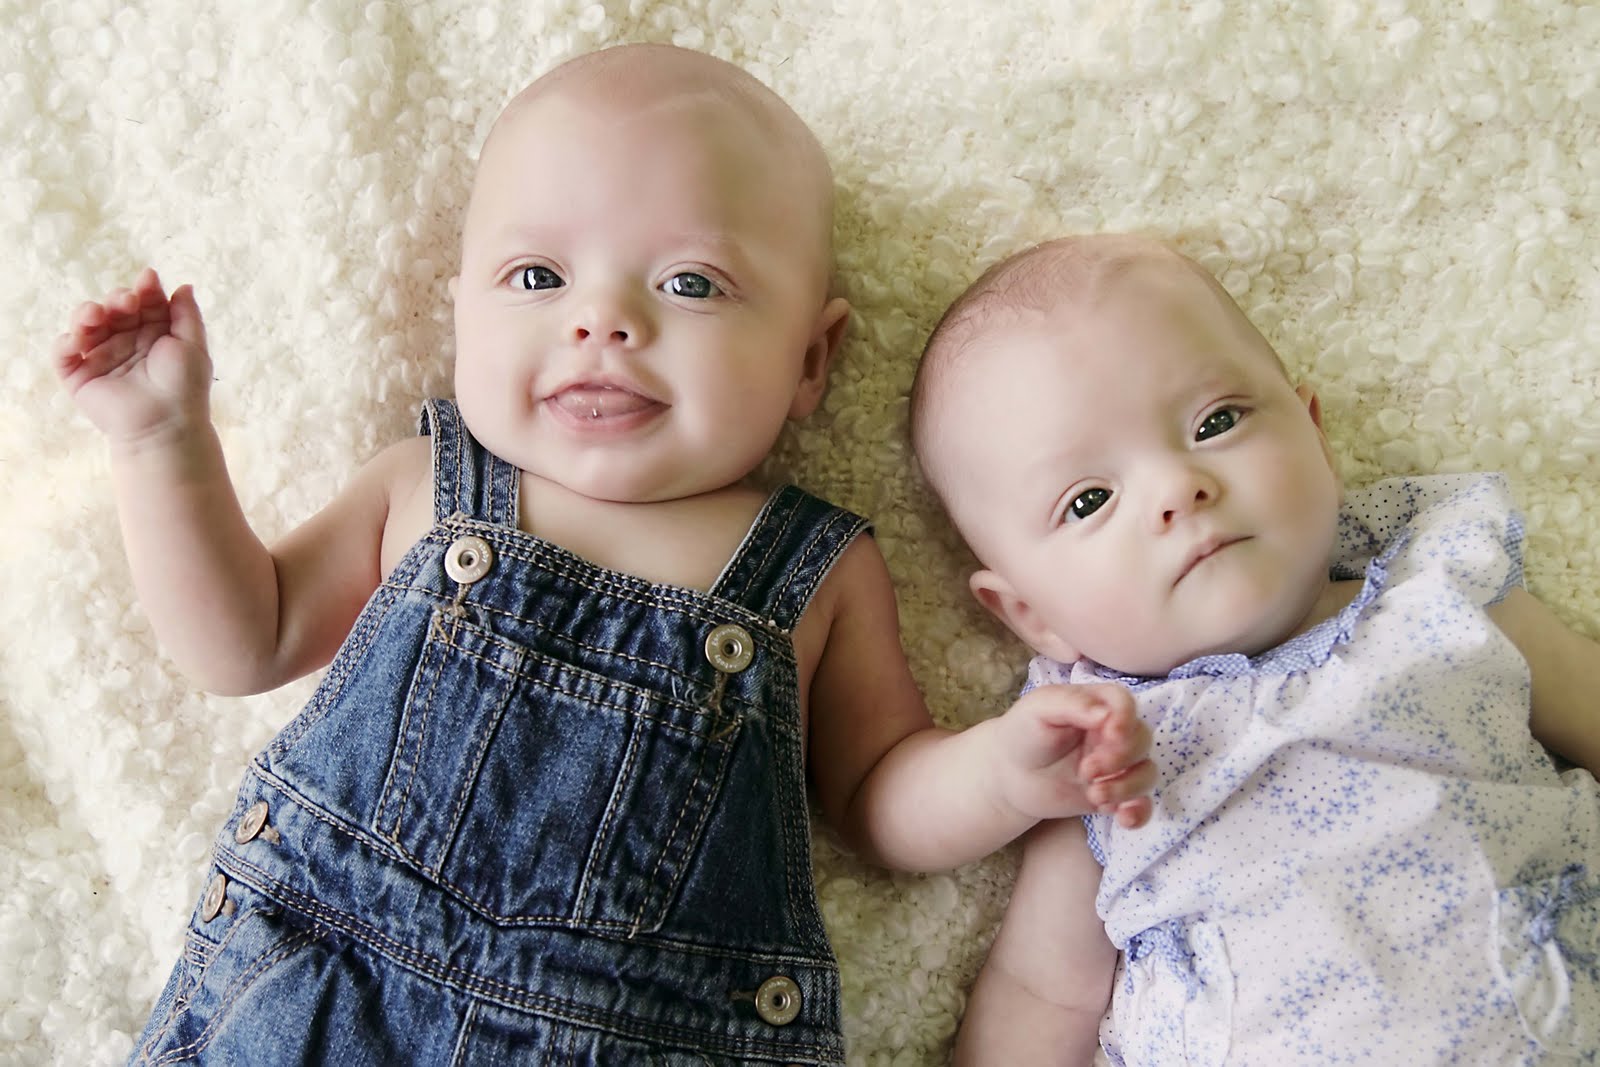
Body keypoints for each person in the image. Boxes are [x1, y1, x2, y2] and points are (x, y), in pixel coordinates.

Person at [53, 46, 1157, 1065]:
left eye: (690, 283)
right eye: (538, 277)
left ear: (811, 359)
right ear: (462, 315)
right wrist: (162, 441)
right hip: (331, 1001)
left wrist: (1007, 774)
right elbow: (242, 639)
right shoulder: (422, 488)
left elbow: (876, 794)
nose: (603, 320)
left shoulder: (813, 569)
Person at [909, 232, 1600, 1065]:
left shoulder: (1448, 597)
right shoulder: (1105, 757)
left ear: (1317, 436)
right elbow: (1042, 992)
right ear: (1030, 615)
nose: (1177, 489)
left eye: (1217, 420)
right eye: (1090, 499)